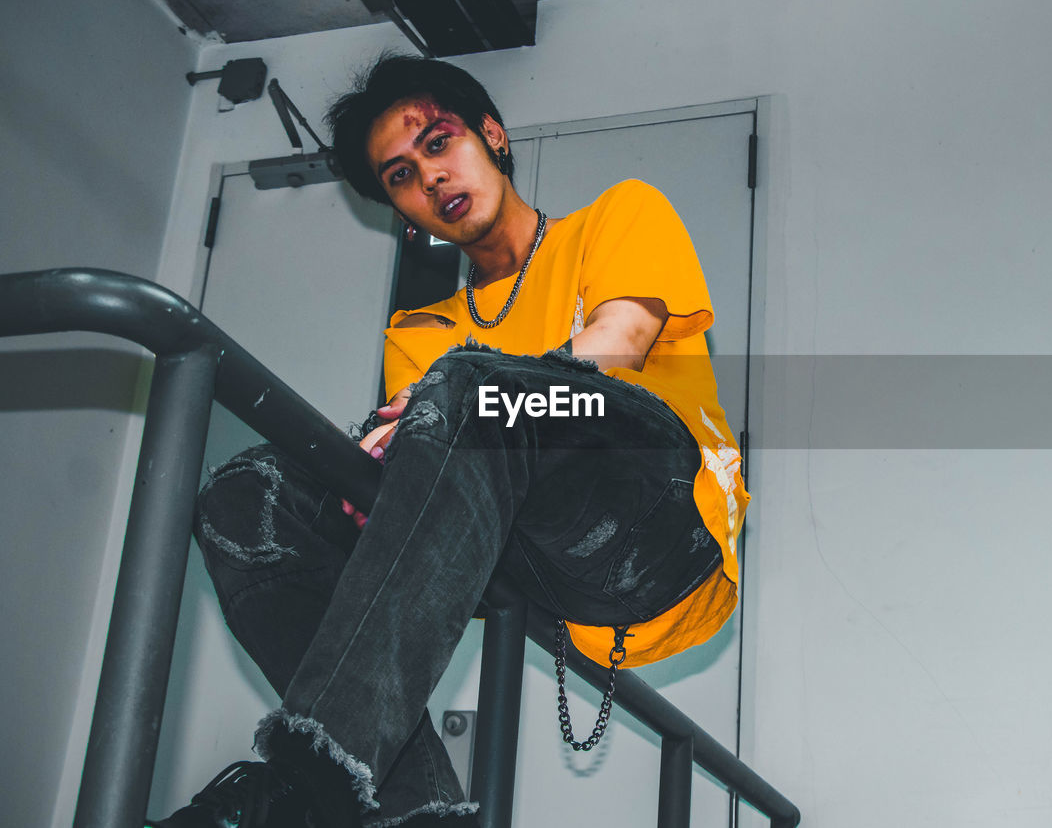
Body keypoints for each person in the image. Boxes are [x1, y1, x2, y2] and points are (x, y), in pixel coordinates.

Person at [149, 55, 748, 828]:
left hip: (662, 530)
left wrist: (449, 403)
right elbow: (417, 468)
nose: (429, 176)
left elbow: (616, 346)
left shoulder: (617, 217)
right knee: (248, 491)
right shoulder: (421, 335)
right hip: (545, 568)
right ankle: (415, 808)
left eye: (439, 142)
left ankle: (308, 779)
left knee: (471, 388)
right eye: (401, 173)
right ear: (400, 209)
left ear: (492, 135)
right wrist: (370, 467)